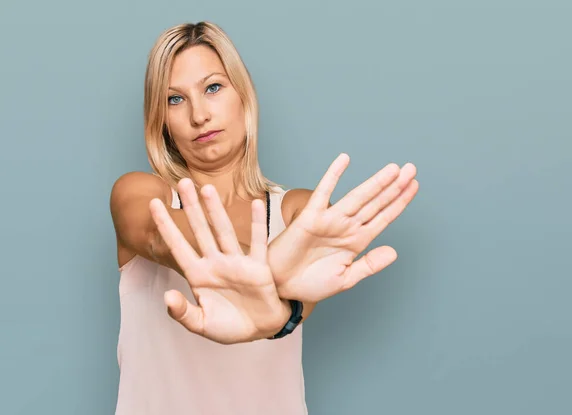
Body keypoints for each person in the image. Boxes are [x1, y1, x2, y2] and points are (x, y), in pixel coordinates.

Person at [109, 21, 419, 415]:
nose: (199, 114)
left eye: (213, 87)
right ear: (162, 122)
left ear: (244, 94)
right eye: (174, 99)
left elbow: (291, 312)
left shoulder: (298, 211)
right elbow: (158, 235)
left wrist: (280, 309)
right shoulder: (138, 192)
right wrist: (273, 276)